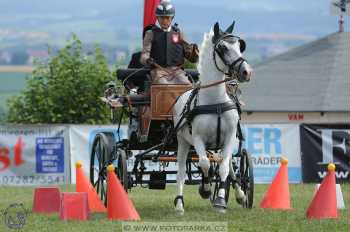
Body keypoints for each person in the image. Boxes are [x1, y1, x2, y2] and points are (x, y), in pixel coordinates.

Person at [140, 0, 199, 84]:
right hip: (159, 71)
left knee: (186, 85)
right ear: (157, 17)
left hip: (177, 71)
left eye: (167, 17)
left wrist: (193, 53)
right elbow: (144, 55)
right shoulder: (150, 33)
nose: (164, 20)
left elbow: (190, 56)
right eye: (162, 17)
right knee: (164, 85)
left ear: (172, 18)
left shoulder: (179, 33)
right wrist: (147, 59)